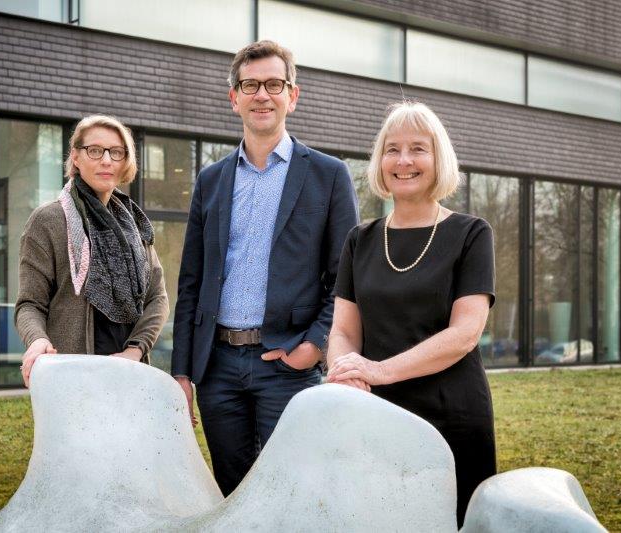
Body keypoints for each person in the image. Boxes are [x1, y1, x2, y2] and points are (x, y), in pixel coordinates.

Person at [171, 40, 359, 496]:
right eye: (250, 85)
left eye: (274, 84)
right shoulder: (210, 180)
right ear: (233, 97)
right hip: (217, 367)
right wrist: (182, 371)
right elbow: (191, 281)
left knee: (291, 490)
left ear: (292, 95)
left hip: (287, 365)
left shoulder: (330, 175)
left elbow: (347, 280)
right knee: (231, 491)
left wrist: (313, 347)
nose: (262, 95)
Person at [326, 101, 496, 527]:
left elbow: (465, 334)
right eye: (392, 149)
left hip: (451, 414)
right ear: (380, 161)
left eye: (418, 149)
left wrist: (380, 370)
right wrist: (346, 373)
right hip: (376, 414)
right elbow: (344, 332)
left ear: (439, 158)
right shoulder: (359, 240)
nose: (403, 161)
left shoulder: (471, 234)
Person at [16, 115, 169, 386]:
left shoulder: (135, 224)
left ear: (126, 160)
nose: (107, 160)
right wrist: (37, 340)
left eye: (116, 152)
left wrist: (135, 350)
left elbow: (157, 298)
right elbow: (30, 304)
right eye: (95, 151)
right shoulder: (49, 220)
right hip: (72, 375)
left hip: (129, 372)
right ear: (76, 156)